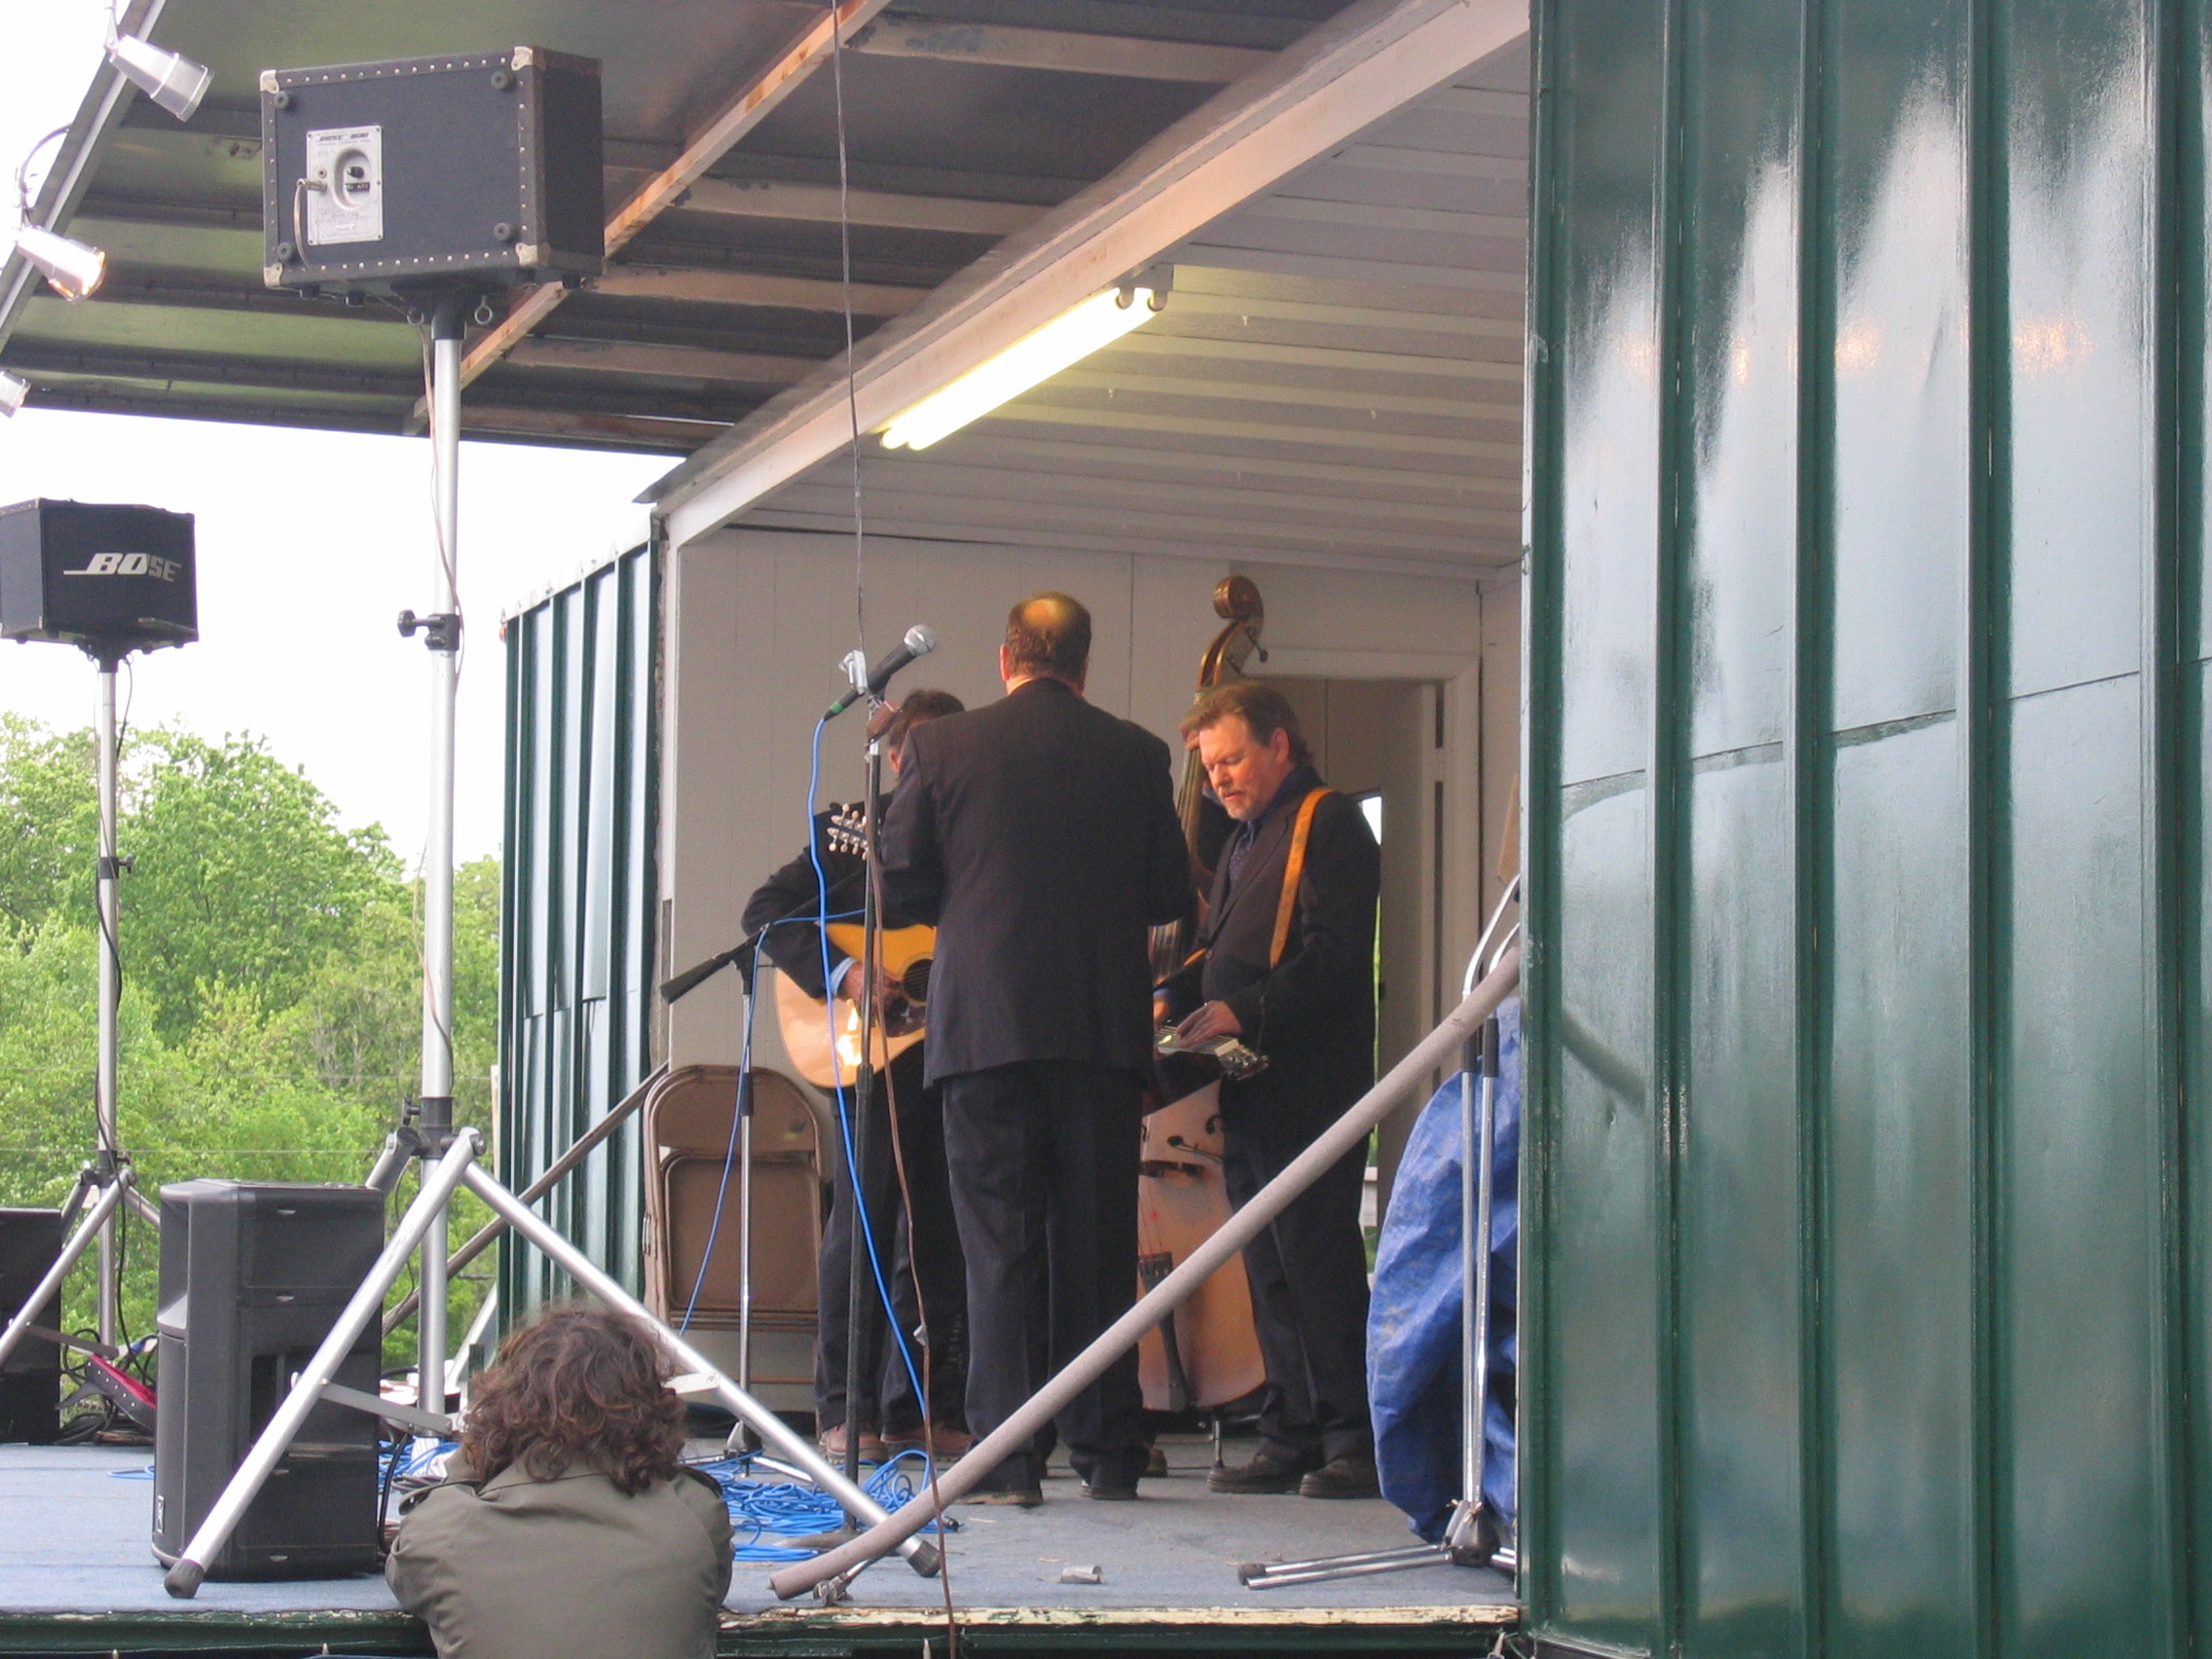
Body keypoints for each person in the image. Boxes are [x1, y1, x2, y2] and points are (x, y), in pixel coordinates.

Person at [879, 593, 1189, 1504]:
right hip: (1099, 1031)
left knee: (997, 1247)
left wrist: (969, 902)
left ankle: (1008, 1460)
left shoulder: (940, 749)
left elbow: (896, 889)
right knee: (1095, 1246)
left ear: (1005, 657)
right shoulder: (1135, 754)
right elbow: (1170, 889)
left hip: (984, 1033)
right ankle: (1107, 1452)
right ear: (1083, 665)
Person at [1157, 679, 1382, 1499]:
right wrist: (1178, 999)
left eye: (1231, 758)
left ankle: (1352, 1438)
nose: (1217, 778)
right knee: (1268, 1266)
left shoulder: (1330, 823)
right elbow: (1224, 949)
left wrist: (1241, 1008)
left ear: (1280, 744)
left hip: (1313, 1086)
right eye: (1210, 765)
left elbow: (1334, 956)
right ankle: (1290, 1429)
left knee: (1317, 1261)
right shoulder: (1248, 839)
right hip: (1249, 1084)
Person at [743, 687, 969, 1457]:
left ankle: (920, 1409)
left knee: (940, 1233)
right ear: (897, 757)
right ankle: (844, 1408)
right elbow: (766, 913)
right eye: (924, 755)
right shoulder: (848, 835)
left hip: (949, 1056)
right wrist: (842, 972)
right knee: (864, 1227)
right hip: (866, 1057)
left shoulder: (975, 839)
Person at [385, 1304, 732, 1659]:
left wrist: (478, 1449)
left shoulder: (446, 1533)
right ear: (654, 1407)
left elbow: (405, 1572)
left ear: (505, 1408)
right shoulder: (697, 1516)